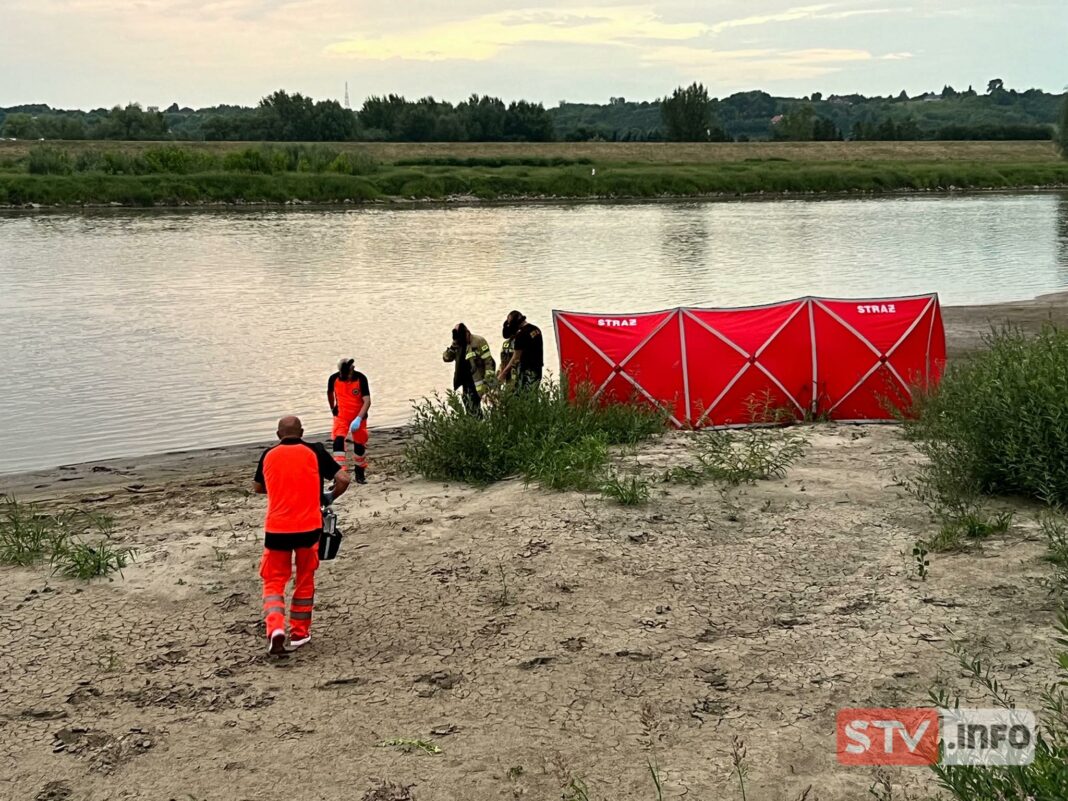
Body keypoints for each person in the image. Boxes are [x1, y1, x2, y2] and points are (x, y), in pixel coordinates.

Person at [253, 415, 351, 655]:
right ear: (302, 432)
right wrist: (328, 497)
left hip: (277, 528)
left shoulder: (268, 454)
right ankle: (300, 633)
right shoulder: (315, 451)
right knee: (305, 579)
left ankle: (275, 628)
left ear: (278, 435)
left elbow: (257, 487)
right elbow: (343, 479)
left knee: (274, 580)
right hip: (310, 527)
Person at [327, 358, 371, 484]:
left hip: (359, 416)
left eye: (349, 373)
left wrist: (358, 418)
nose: (347, 376)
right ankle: (340, 474)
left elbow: (367, 401)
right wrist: (332, 407)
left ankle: (360, 473)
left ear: (353, 369)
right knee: (338, 441)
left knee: (359, 444)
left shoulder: (361, 378)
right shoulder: (333, 379)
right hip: (341, 416)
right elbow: (329, 393)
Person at [443, 323, 496, 415]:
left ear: (468, 332)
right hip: (464, 380)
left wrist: (489, 382)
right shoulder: (458, 343)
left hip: (477, 379)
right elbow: (446, 358)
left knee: (474, 405)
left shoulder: (479, 341)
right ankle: (474, 425)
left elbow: (489, 362)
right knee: (467, 403)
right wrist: (453, 345)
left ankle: (479, 424)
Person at [498, 310, 544, 388]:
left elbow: (516, 357)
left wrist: (503, 374)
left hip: (527, 371)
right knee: (533, 395)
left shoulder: (521, 335)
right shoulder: (536, 329)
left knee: (526, 396)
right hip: (538, 369)